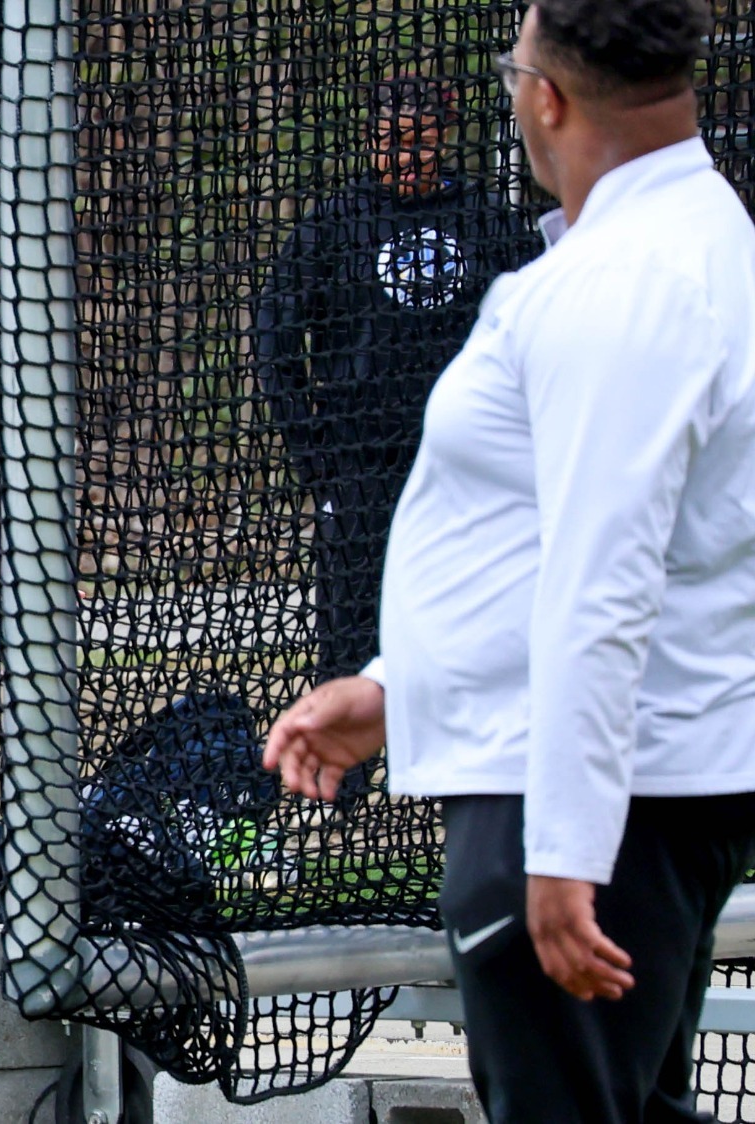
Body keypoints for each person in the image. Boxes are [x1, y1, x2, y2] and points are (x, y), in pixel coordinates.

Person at [263, 2, 755, 1120]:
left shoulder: (625, 280)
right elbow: (543, 539)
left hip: (578, 789)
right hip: (601, 774)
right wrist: (397, 686)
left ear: (544, 96)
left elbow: (601, 577)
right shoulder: (668, 241)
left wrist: (562, 847)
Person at [254, 74, 537, 684]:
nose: (405, 158)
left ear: (445, 139)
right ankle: (343, 782)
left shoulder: (488, 223)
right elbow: (275, 342)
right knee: (351, 644)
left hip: (467, 470)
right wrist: (318, 458)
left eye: (421, 142)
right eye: (390, 141)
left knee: (471, 640)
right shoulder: (334, 225)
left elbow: (539, 335)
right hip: (360, 468)